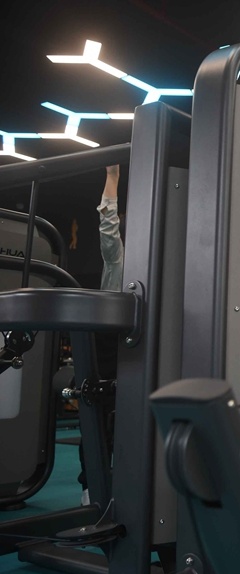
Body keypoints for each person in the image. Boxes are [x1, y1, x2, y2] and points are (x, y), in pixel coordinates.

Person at [79, 165, 124, 506]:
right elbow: (108, 224)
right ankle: (91, 488)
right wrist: (113, 178)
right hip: (110, 348)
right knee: (101, 420)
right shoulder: (118, 258)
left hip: (142, 348)